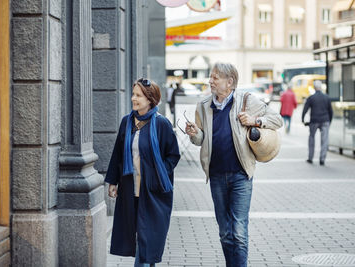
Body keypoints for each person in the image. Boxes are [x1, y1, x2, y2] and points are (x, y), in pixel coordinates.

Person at [185, 63, 283, 267]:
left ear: (229, 82)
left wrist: (255, 120)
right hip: (217, 176)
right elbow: (201, 139)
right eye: (211, 77)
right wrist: (195, 134)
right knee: (224, 232)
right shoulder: (203, 106)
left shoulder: (247, 101)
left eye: (215, 78)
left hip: (240, 175)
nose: (210, 81)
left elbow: (277, 119)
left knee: (238, 231)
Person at [105, 78, 180, 267]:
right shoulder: (127, 122)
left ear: (150, 99)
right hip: (131, 190)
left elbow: (173, 155)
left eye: (138, 95)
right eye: (133, 94)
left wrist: (158, 174)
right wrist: (113, 181)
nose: (133, 99)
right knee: (140, 239)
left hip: (154, 191)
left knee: (148, 239)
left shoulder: (161, 124)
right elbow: (118, 153)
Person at [301, 80, 333, 165]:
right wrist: (329, 121)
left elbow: (305, 109)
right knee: (324, 140)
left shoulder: (311, 98)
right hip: (325, 120)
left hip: (314, 121)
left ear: (314, 88)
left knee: (311, 138)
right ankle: (322, 159)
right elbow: (331, 111)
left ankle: (310, 158)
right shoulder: (327, 97)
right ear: (321, 87)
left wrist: (303, 119)